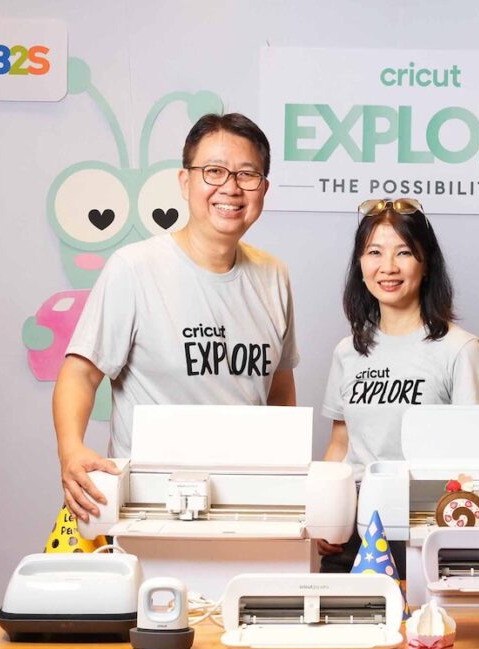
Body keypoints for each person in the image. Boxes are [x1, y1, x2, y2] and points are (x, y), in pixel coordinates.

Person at [54, 113, 298, 524]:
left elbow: (279, 390)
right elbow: (80, 373)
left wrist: (288, 483)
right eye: (214, 171)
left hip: (247, 505)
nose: (231, 188)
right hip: (148, 508)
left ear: (263, 189)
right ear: (185, 182)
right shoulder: (134, 269)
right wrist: (71, 450)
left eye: (247, 174)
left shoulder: (274, 275)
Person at [319, 198, 479, 574]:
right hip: (355, 527)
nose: (388, 267)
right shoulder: (347, 351)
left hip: (426, 526)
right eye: (375, 252)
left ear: (426, 264)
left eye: (404, 253)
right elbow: (340, 443)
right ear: (360, 264)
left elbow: (476, 456)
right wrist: (324, 511)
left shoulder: (459, 349)